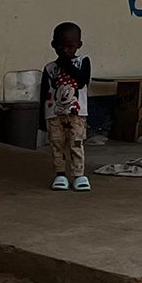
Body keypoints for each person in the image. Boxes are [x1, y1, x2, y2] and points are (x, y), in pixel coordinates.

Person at [43, 22, 92, 191]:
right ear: (53, 45)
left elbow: (82, 80)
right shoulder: (50, 68)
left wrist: (65, 62)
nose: (65, 50)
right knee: (57, 144)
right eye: (61, 46)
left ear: (79, 45)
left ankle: (79, 175)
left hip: (77, 114)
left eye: (70, 46)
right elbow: (44, 93)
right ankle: (60, 174)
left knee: (76, 143)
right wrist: (41, 119)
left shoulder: (83, 62)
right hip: (54, 114)